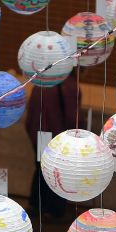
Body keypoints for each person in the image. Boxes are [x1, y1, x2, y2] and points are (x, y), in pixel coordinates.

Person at [24, 73, 83, 221]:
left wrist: (31, 131)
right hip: (58, 136)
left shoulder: (41, 83)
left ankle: (36, 205)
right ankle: (55, 210)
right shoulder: (70, 87)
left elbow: (30, 110)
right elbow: (72, 117)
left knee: (41, 169)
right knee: (59, 172)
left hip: (39, 134)